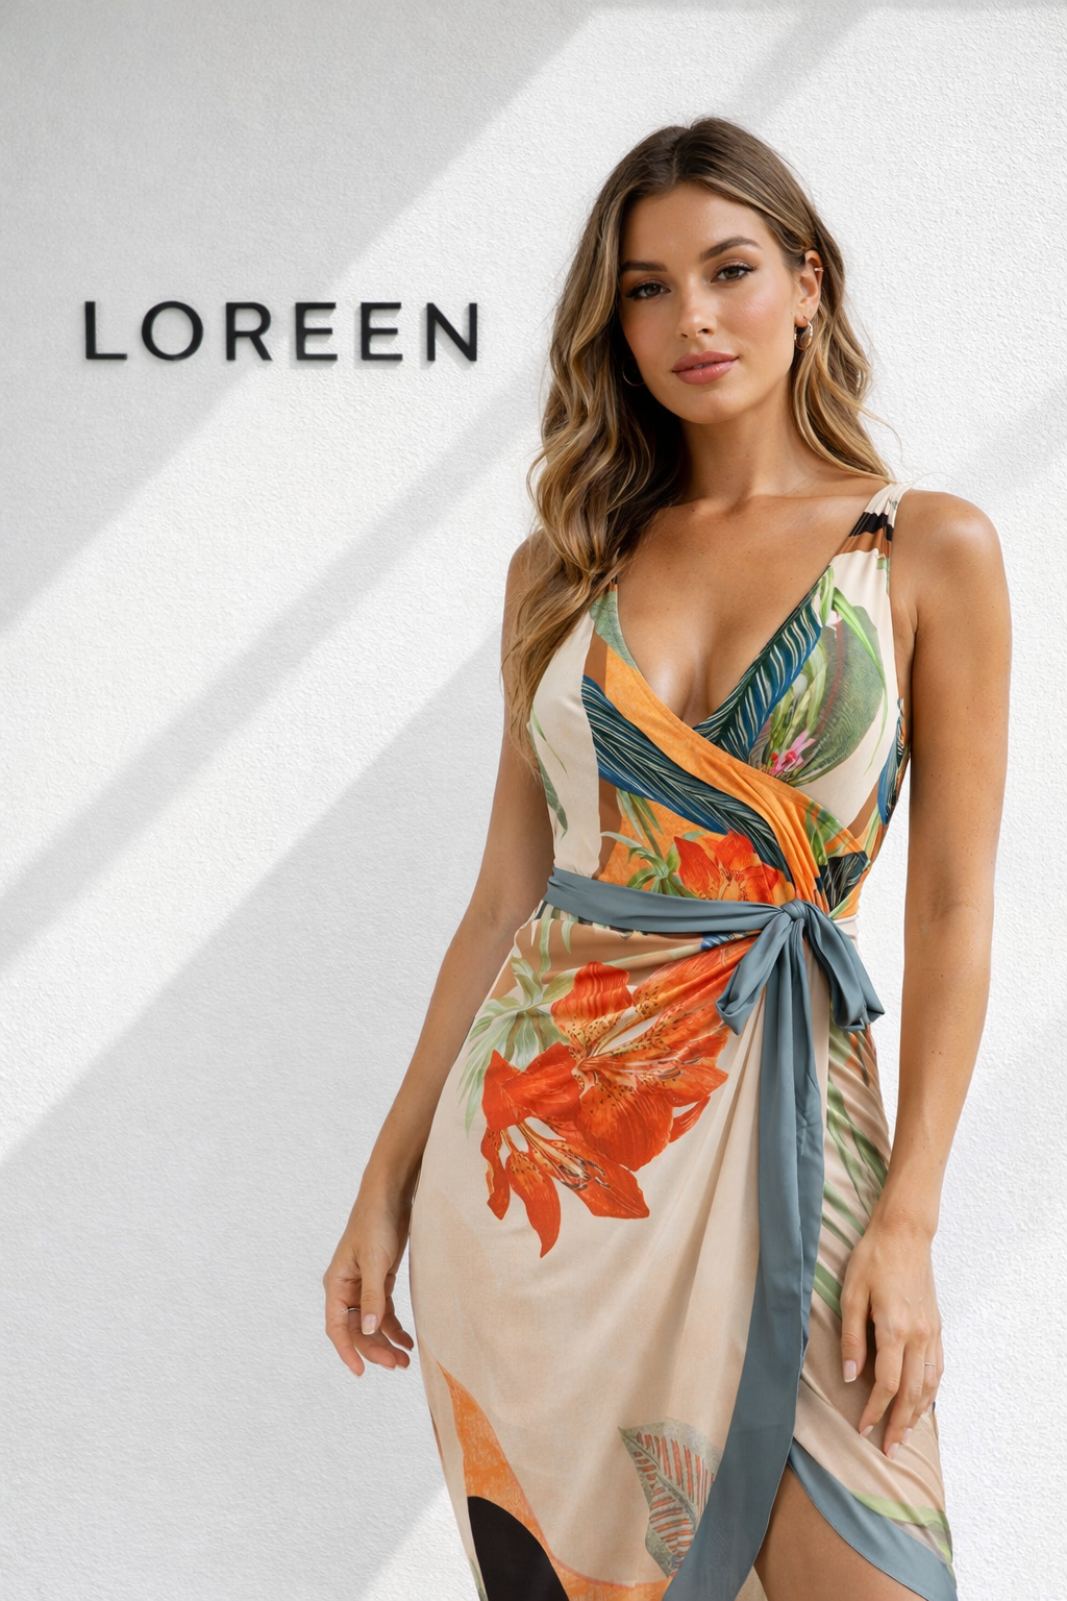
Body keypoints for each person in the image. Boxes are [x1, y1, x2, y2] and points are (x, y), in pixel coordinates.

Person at [322, 116, 1010, 1601]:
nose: (693, 317)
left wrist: (908, 1215)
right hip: (545, 1179)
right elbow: (505, 900)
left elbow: (955, 906)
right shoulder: (562, 567)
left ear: (809, 283)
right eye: (647, 289)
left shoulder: (925, 548)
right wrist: (385, 1175)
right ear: (616, 325)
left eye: (730, 269)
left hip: (795, 1133)